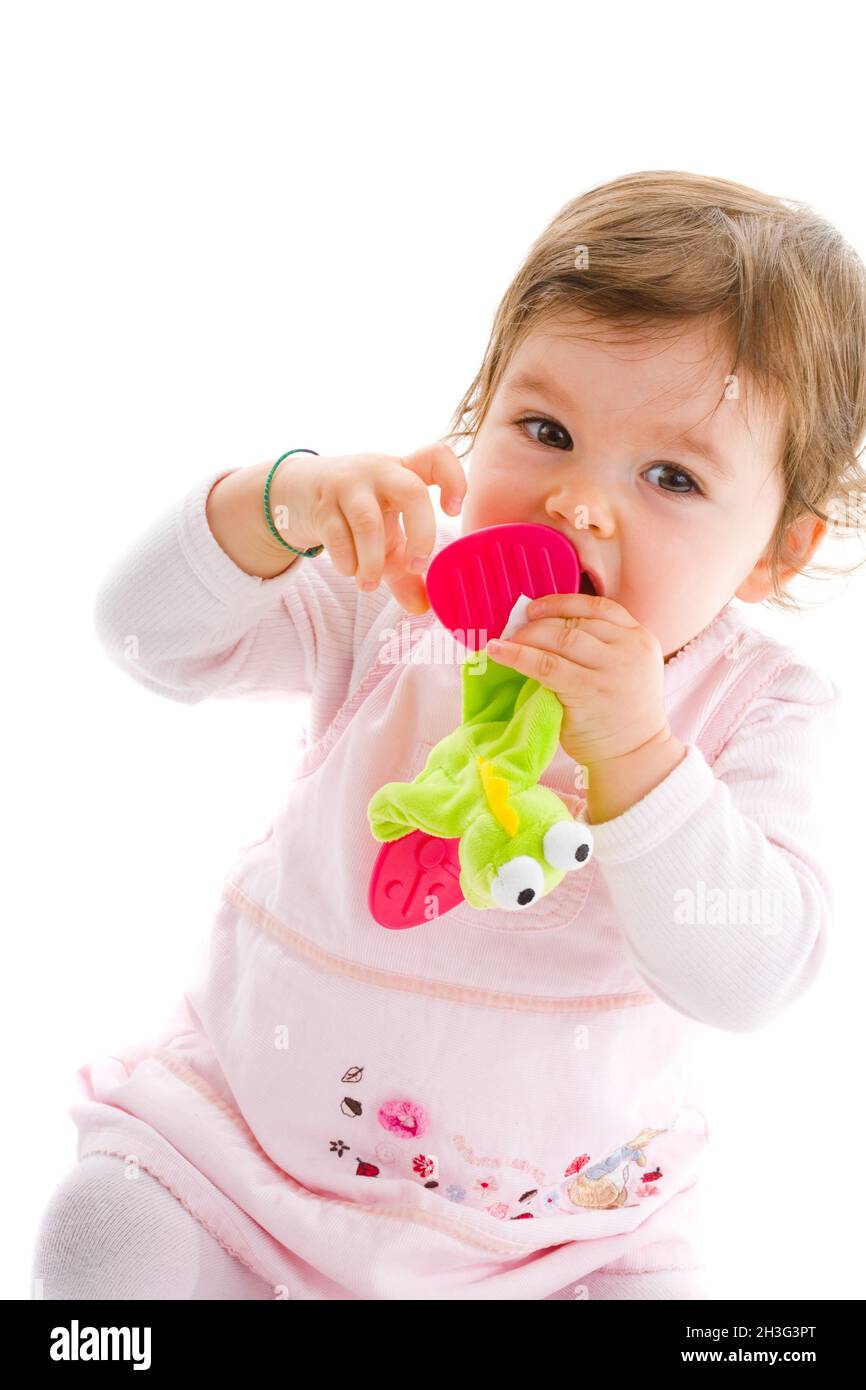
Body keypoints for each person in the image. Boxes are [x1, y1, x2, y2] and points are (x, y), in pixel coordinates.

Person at [31, 170, 866, 1300]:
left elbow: (752, 972)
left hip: (562, 1236)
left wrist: (635, 757)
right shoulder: (404, 603)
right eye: (545, 429)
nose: (579, 503)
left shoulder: (755, 707)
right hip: (245, 1166)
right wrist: (277, 510)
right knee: (104, 1230)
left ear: (777, 549)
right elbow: (143, 639)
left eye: (669, 475)